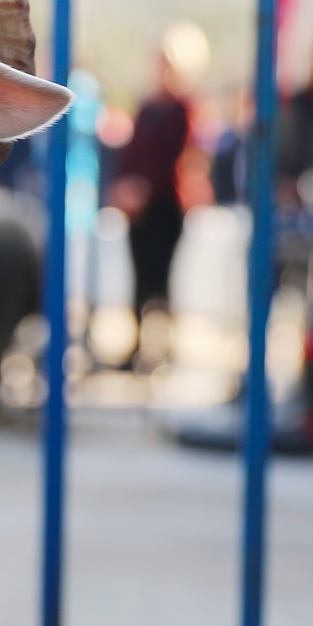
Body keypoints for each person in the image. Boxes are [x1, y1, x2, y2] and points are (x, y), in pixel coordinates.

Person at [110, 22, 205, 367]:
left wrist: (144, 188)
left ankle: (160, 346)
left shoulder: (184, 110)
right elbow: (132, 154)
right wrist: (124, 187)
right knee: (139, 275)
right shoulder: (148, 108)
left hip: (166, 206)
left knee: (161, 276)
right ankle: (138, 345)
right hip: (140, 208)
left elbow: (177, 159)